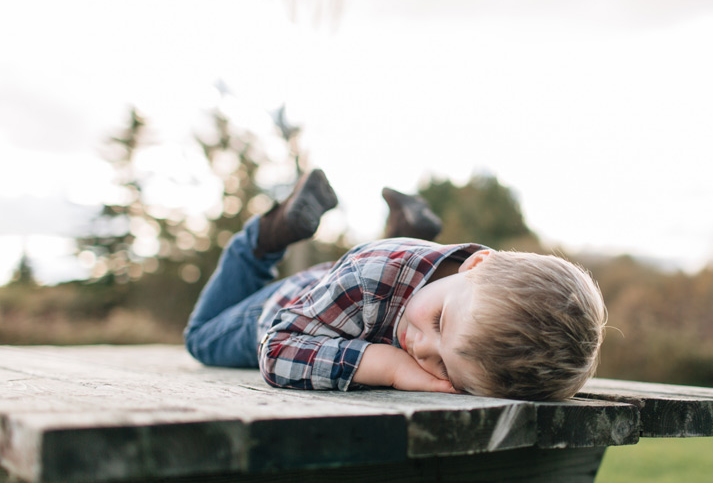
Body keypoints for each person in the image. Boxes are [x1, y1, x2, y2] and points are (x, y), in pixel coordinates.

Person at [184, 169, 607, 401]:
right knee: (202, 338)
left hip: (350, 288)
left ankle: (404, 229)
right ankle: (264, 238)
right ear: (475, 262)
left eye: (445, 369)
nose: (421, 349)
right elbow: (276, 350)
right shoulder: (369, 281)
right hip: (285, 308)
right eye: (440, 322)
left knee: (385, 279)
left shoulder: (469, 294)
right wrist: (389, 367)